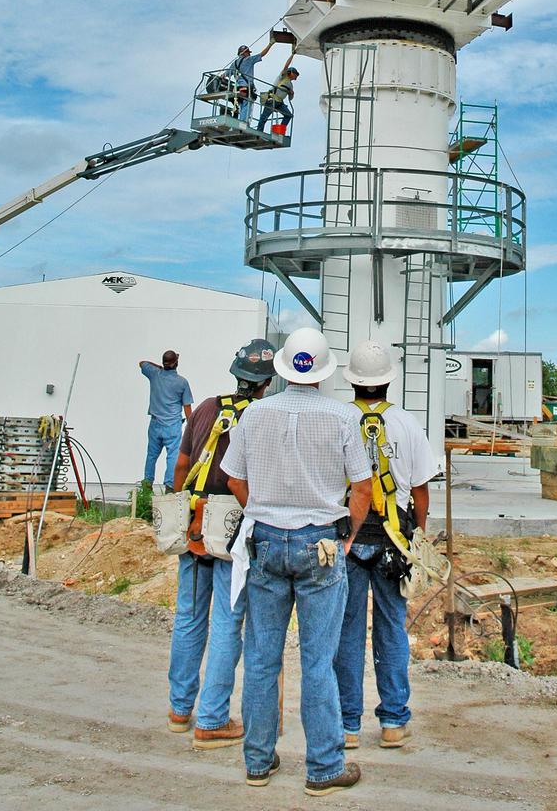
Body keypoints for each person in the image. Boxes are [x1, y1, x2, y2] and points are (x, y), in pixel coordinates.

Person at [220, 327, 372, 796]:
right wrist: (345, 537)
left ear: (283, 367)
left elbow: (234, 480)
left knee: (263, 658)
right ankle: (324, 767)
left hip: (265, 540)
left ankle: (258, 760)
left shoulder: (255, 414)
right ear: (325, 371)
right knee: (317, 660)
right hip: (320, 541)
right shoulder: (343, 417)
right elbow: (362, 487)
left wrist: (261, 510)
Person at [166, 340, 276, 747]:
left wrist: (183, 511)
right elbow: (247, 479)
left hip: (194, 527)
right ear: (267, 382)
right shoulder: (263, 417)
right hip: (233, 530)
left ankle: (180, 709)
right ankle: (211, 719)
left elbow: (181, 464)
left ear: (236, 374)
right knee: (228, 624)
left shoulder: (207, 409)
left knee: (189, 618)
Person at [334, 340, 437, 751]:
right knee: (392, 629)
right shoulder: (408, 425)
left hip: (348, 538)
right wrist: (419, 538)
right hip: (395, 541)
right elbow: (421, 490)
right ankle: (394, 721)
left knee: (348, 630)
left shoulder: (340, 420)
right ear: (389, 381)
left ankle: (347, 726)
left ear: (353, 383)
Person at [139, 350, 193, 492]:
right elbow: (187, 407)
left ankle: (147, 485)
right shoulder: (182, 382)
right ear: (176, 363)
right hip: (173, 426)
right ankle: (170, 487)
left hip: (155, 424)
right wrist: (192, 427)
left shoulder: (154, 374)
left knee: (151, 455)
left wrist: (161, 367)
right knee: (172, 457)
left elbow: (142, 363)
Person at [226, 39, 274, 121]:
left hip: (237, 88)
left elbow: (226, 74)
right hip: (245, 87)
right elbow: (262, 54)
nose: (249, 54)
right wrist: (271, 44)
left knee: (241, 104)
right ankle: (243, 123)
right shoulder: (248, 60)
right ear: (244, 53)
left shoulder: (234, 63)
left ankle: (240, 121)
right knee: (247, 103)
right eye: (248, 52)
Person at [256, 52, 298, 132]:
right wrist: (292, 55)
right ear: (292, 73)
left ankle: (279, 131)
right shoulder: (282, 77)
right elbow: (286, 66)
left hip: (279, 102)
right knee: (264, 117)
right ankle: (259, 131)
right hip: (272, 100)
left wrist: (292, 93)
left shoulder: (290, 85)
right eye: (296, 74)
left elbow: (290, 98)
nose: (296, 76)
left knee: (288, 115)